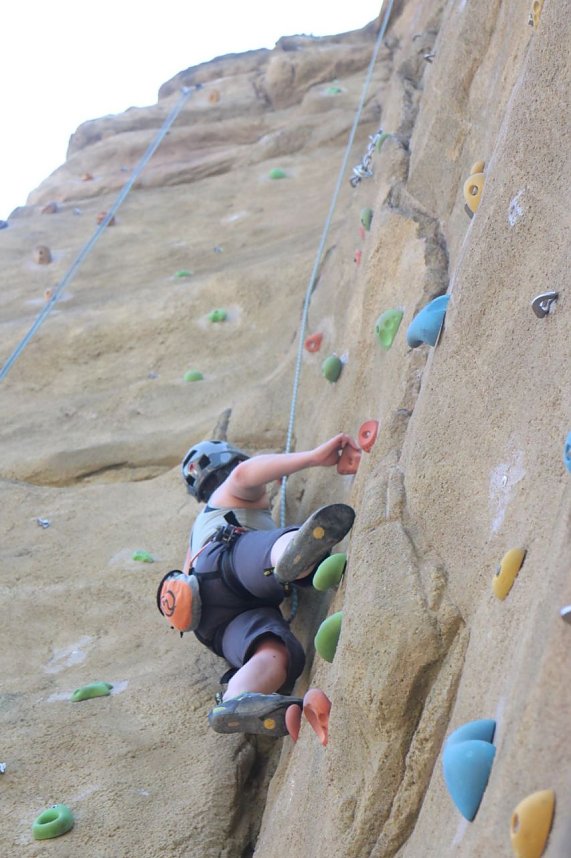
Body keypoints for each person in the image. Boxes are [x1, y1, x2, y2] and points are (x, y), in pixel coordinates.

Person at [166, 434, 358, 737]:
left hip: (212, 624)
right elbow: (244, 475)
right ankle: (291, 553)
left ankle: (237, 697)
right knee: (267, 553)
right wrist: (313, 458)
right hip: (227, 564)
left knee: (274, 650)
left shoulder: (196, 534)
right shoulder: (232, 494)